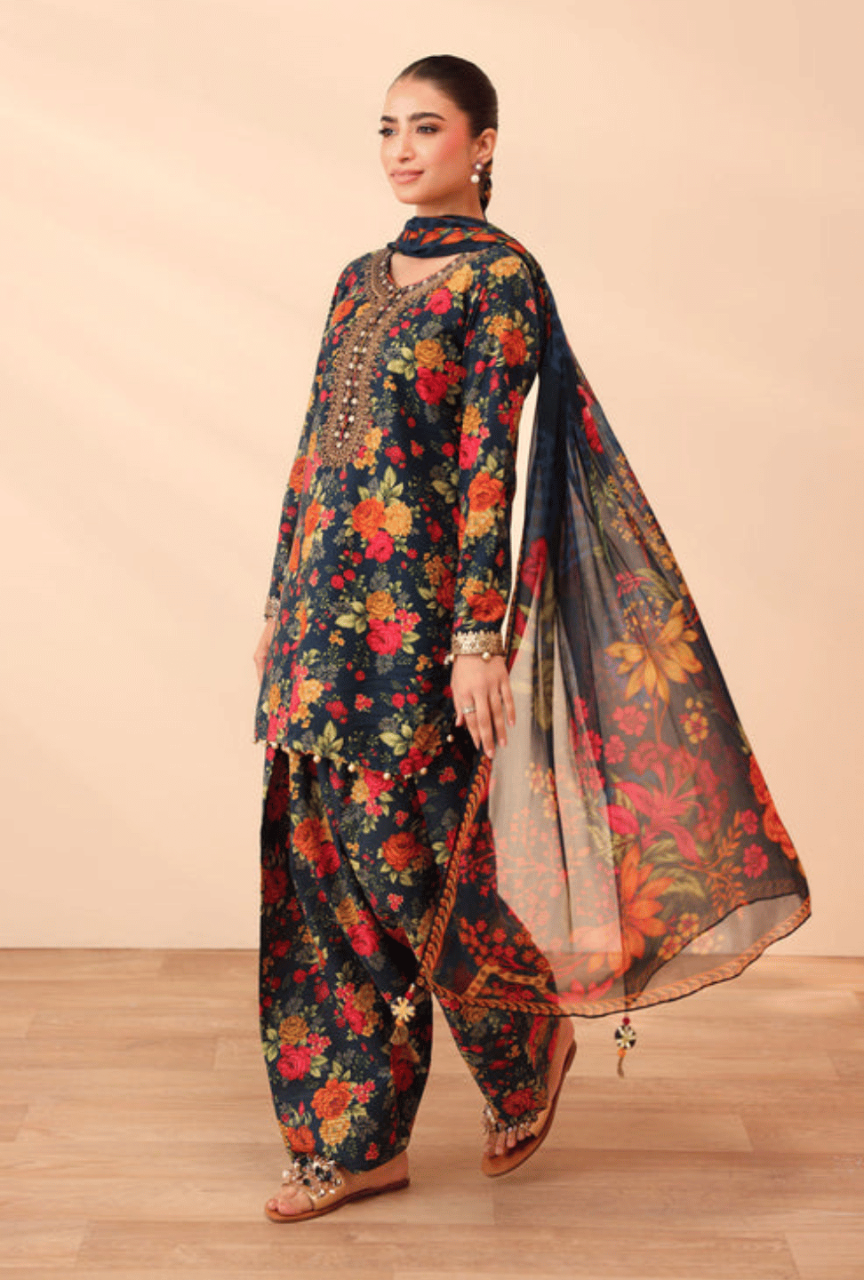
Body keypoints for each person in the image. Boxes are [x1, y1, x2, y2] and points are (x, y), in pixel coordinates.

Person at [252, 55, 811, 1223]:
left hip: (415, 622)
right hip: (317, 618)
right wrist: (274, 605)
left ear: (484, 144)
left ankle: (522, 1048)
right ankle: (353, 1140)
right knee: (321, 875)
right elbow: (317, 449)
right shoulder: (358, 280)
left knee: (413, 862)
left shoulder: (502, 281)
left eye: (429, 127)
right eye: (388, 129)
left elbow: (485, 467)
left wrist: (476, 637)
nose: (403, 150)